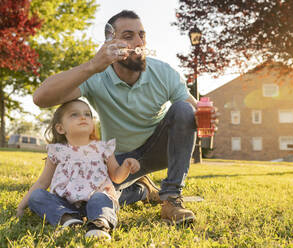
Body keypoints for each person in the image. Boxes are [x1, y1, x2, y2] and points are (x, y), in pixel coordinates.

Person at [33, 10, 219, 224]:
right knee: (90, 201)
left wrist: (207, 118)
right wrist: (92, 65)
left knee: (183, 110)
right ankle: (141, 189)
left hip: (158, 150)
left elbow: (191, 113)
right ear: (110, 43)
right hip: (120, 161)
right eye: (128, 36)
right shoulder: (95, 75)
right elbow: (41, 98)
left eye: (142, 35)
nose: (139, 42)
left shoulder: (164, 72)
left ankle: (171, 199)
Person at [16, 99, 140, 240]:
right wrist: (21, 207)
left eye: (87, 114)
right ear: (60, 128)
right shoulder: (56, 151)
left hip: (96, 199)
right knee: (37, 196)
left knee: (101, 197)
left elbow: (117, 177)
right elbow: (42, 182)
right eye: (74, 114)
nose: (83, 117)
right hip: (65, 203)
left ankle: (99, 224)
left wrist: (126, 166)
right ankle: (69, 219)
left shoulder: (103, 148)